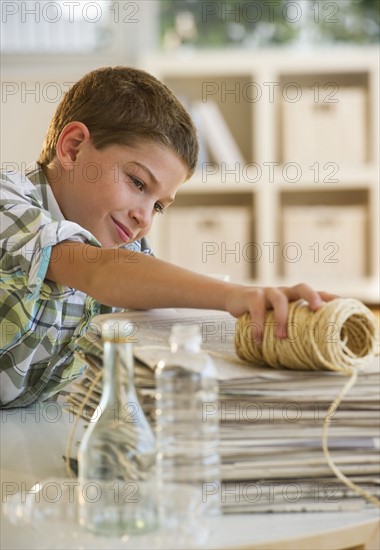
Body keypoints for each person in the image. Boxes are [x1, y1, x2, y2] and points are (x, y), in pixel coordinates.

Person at [0, 66, 335, 408]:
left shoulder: (123, 243)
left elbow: (160, 316)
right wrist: (238, 294)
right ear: (73, 149)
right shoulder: (7, 203)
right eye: (138, 183)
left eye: (158, 206)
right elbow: (98, 271)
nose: (143, 218)